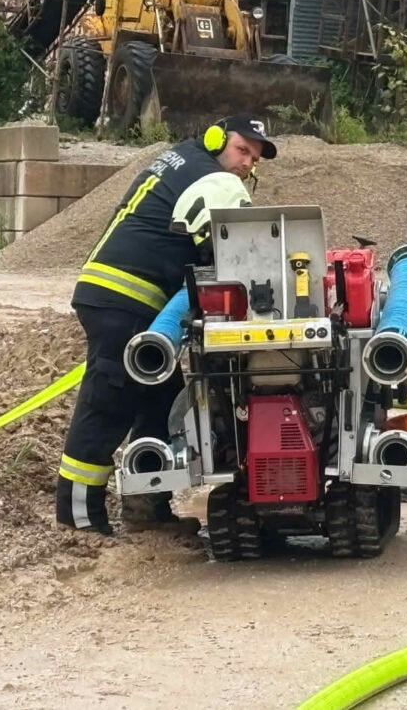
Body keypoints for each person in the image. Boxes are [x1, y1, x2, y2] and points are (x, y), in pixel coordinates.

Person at [56, 114, 274, 533]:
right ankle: (79, 520)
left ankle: (146, 505)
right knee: (106, 408)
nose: (247, 164)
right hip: (127, 299)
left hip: (115, 294)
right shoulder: (217, 180)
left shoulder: (177, 159)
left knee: (161, 399)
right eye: (242, 150)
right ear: (216, 140)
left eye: (255, 157)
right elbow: (229, 251)